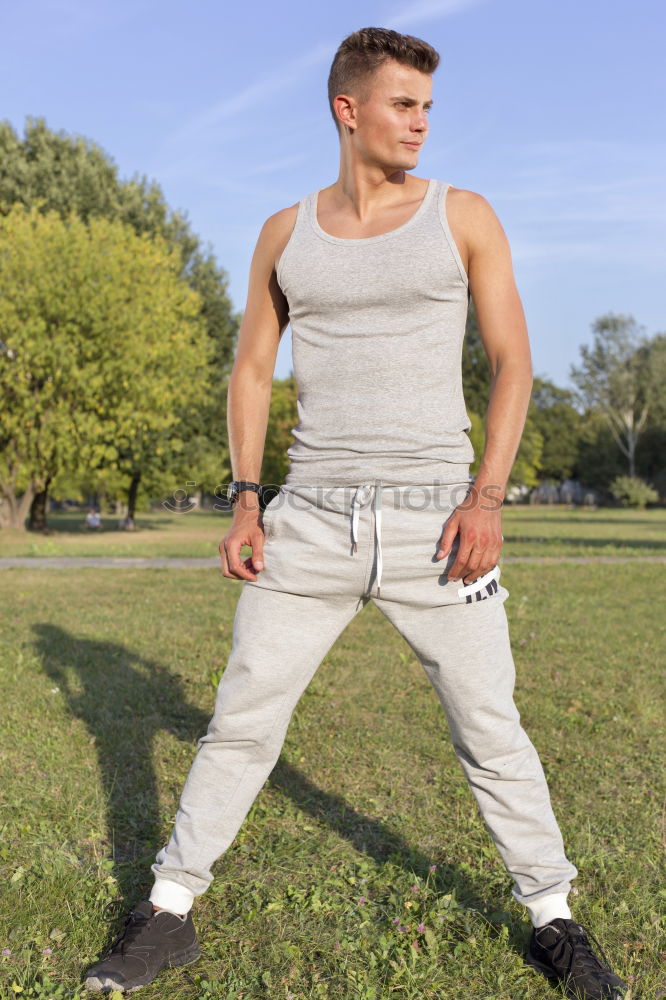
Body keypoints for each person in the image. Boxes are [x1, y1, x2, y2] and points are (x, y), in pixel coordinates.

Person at [84, 27, 626, 999]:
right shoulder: (285, 233)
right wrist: (247, 499)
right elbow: (251, 367)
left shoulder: (464, 216)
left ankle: (554, 918)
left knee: (490, 727)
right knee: (241, 719)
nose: (421, 123)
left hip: (439, 527)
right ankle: (167, 911)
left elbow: (513, 364)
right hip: (312, 523)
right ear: (348, 108)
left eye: (428, 107)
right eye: (404, 104)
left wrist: (488, 500)